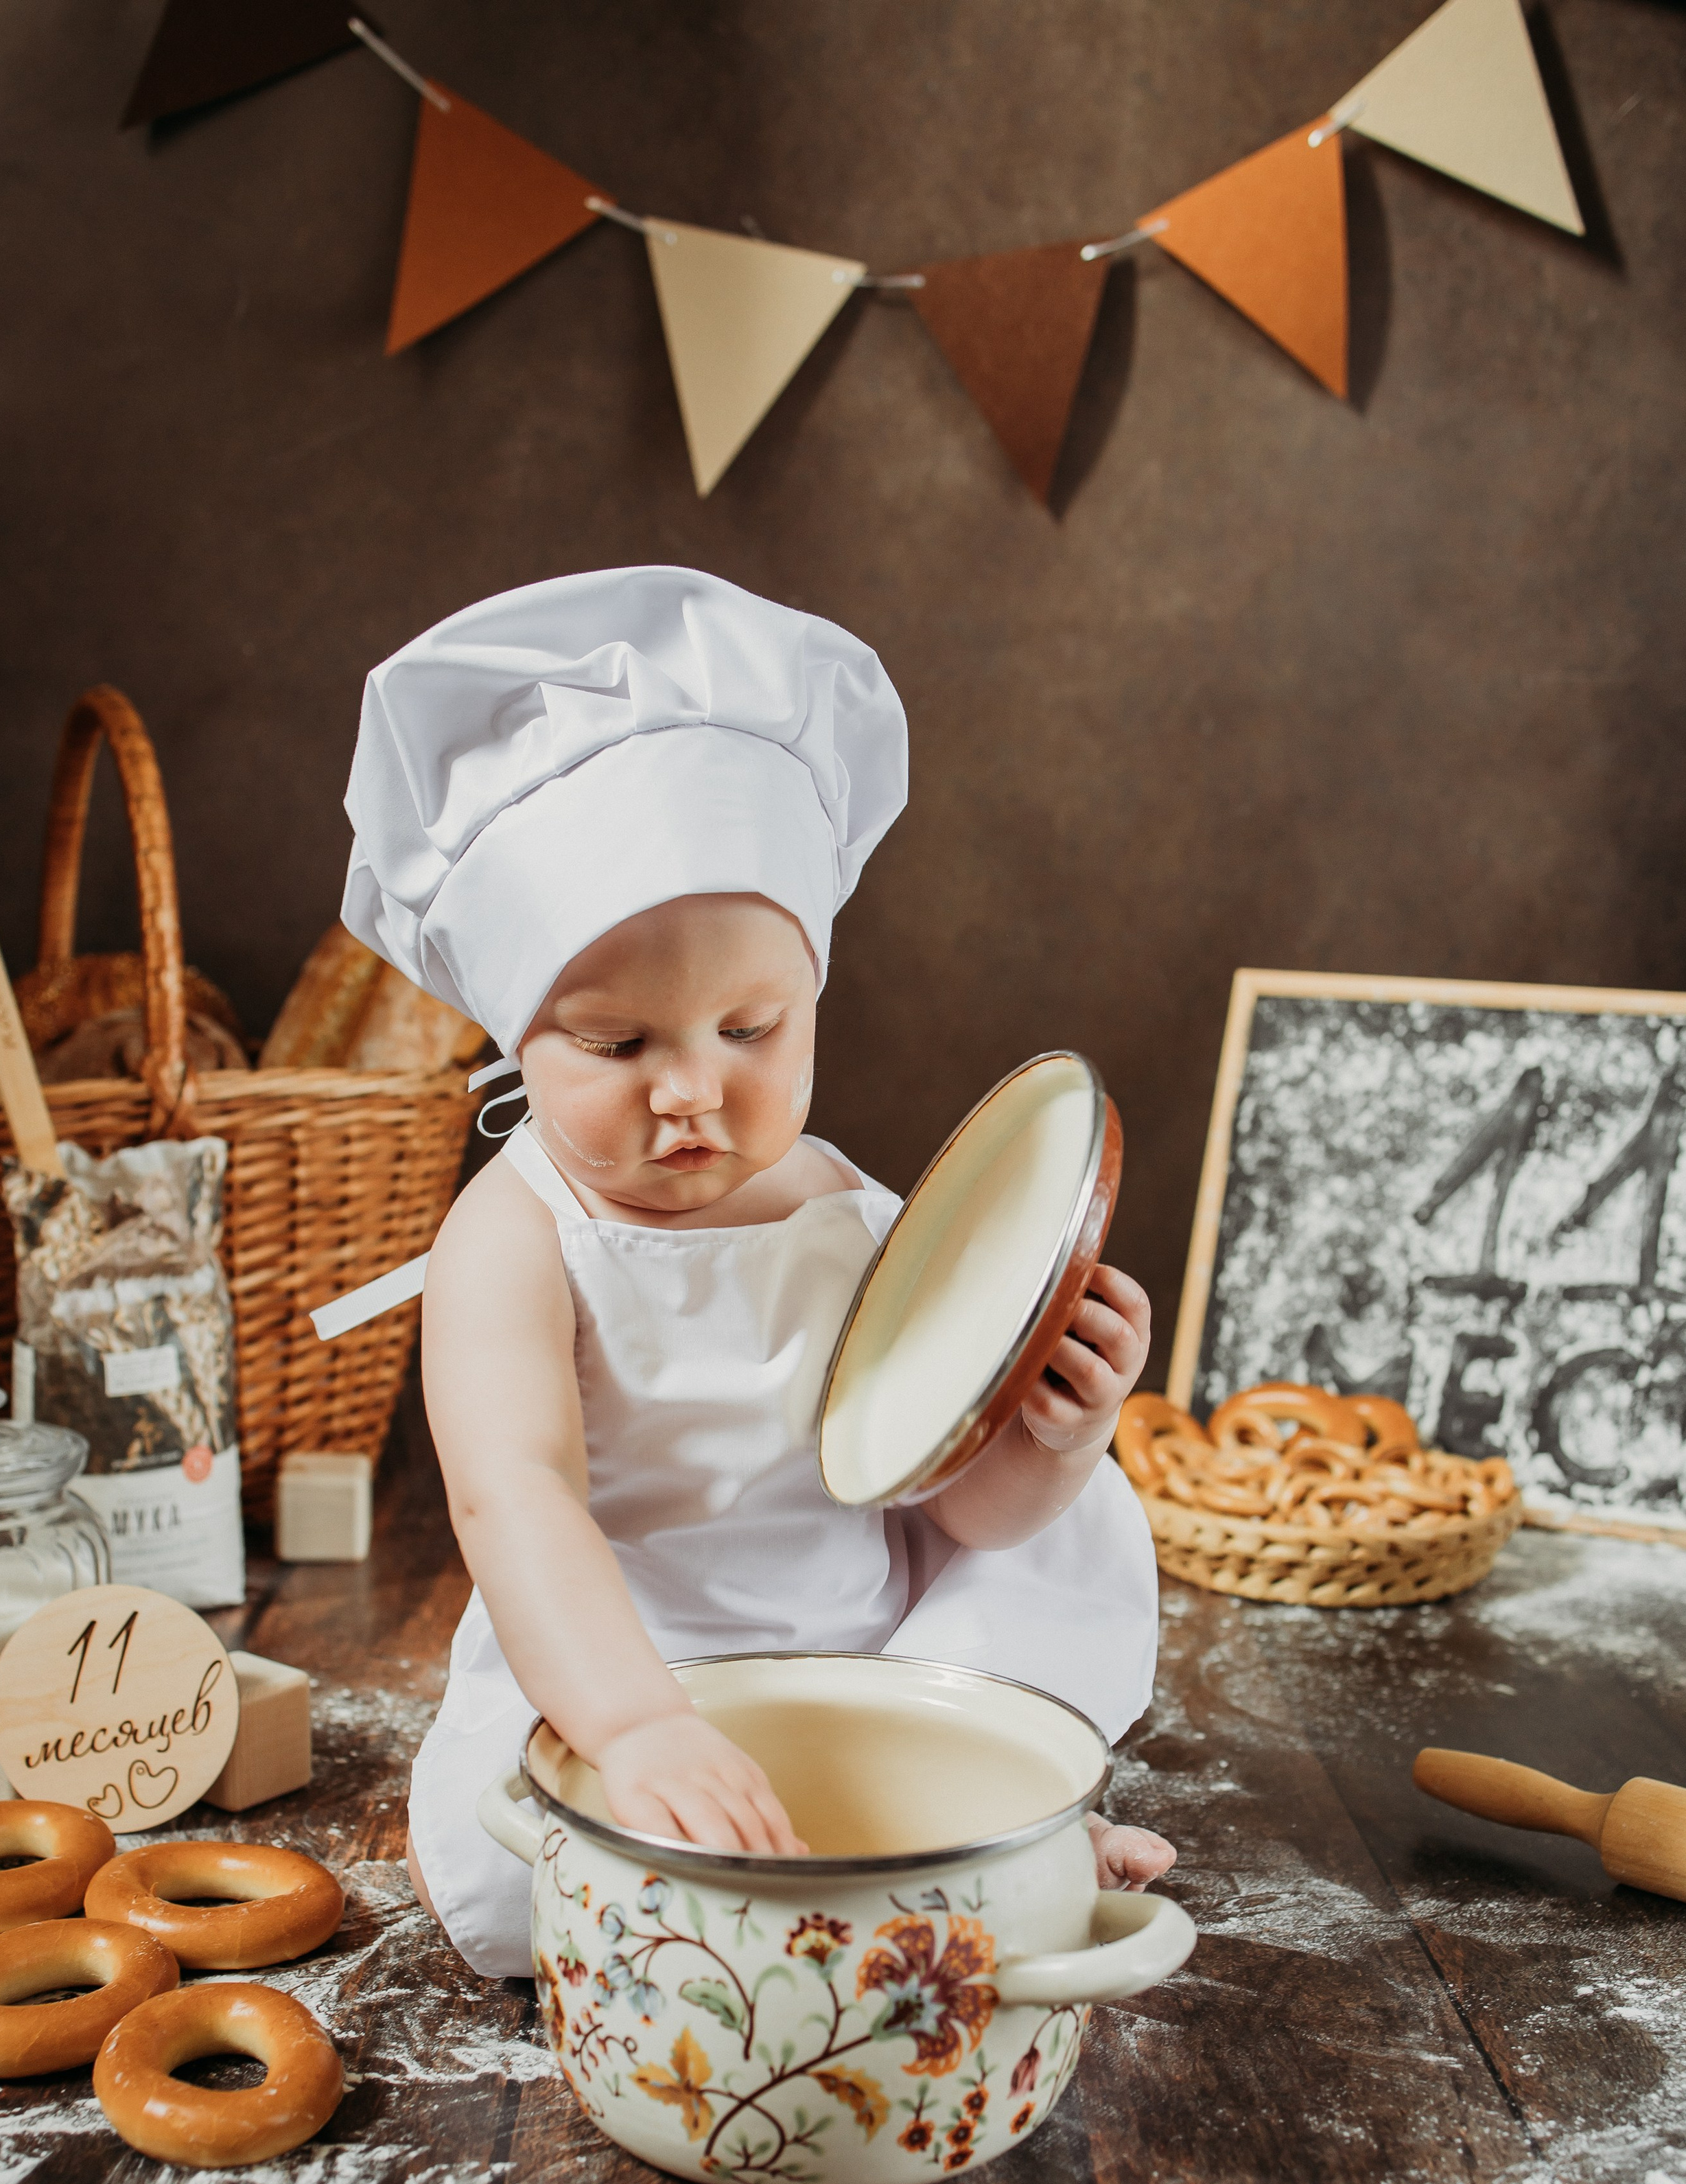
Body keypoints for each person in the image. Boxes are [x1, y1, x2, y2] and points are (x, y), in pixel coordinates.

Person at [341, 566, 1174, 1978]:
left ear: (812, 996)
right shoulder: (513, 1234)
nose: (693, 1093)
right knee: (509, 1871)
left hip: (869, 1650)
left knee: (1060, 1546)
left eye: (750, 1027)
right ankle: (878, 1873)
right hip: (618, 1643)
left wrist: (1055, 1430)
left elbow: (956, 1507)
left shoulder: (855, 1213)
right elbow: (516, 1499)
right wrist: (638, 1725)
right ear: (510, 1043)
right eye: (619, 1046)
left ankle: (994, 1853)